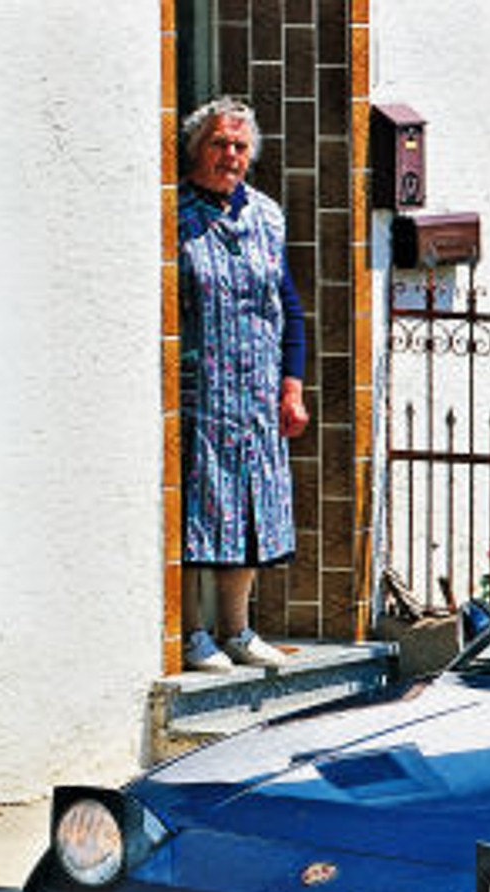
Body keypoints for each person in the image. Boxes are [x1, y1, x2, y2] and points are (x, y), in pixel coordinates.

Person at [177, 97, 309, 672]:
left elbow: (289, 306)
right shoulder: (174, 213)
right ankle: (189, 633)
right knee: (196, 510)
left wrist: (292, 385)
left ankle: (237, 628)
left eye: (238, 146)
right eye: (217, 144)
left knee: (250, 508)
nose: (229, 155)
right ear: (195, 150)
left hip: (256, 391)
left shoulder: (267, 215)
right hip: (198, 392)